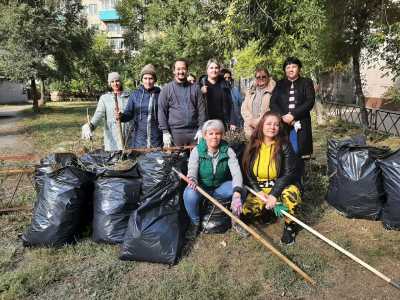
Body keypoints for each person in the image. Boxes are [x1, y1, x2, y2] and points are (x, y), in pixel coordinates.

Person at [238, 111, 302, 245]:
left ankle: (290, 226)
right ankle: (266, 213)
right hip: (260, 188)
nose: (272, 127)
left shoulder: (285, 145)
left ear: (279, 128)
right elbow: (248, 173)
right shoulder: (252, 145)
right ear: (261, 125)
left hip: (280, 186)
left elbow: (288, 173)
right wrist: (259, 191)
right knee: (247, 212)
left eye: (276, 125)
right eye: (268, 124)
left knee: (292, 196)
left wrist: (274, 194)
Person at [183, 119, 243, 240]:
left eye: (218, 133)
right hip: (202, 187)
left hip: (220, 187)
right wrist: (193, 180)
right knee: (189, 193)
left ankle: (236, 221)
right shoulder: (197, 151)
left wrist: (237, 193)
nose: (214, 137)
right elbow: (192, 169)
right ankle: (194, 223)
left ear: (222, 135)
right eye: (210, 134)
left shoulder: (228, 151)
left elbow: (237, 173)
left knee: (241, 191)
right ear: (205, 136)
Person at [270, 57, 315, 158]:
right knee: (282, 152)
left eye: (294, 67)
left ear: (299, 69)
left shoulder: (306, 82)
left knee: (300, 153)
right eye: (288, 67)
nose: (291, 69)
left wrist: (293, 115)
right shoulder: (280, 84)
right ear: (285, 70)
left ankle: (300, 173)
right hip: (283, 123)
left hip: (301, 122)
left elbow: (310, 101)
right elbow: (273, 103)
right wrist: (283, 116)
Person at [158, 59, 206, 146]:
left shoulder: (195, 89)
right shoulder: (166, 90)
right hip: (175, 134)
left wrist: (201, 128)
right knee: (175, 159)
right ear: (174, 71)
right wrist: (165, 131)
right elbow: (161, 111)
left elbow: (201, 110)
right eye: (178, 69)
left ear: (187, 70)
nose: (181, 71)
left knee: (196, 159)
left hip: (194, 134)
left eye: (183, 69)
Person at [81, 72, 132, 151]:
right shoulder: (105, 98)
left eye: (117, 81)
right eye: (112, 81)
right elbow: (99, 114)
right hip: (112, 137)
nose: (115, 84)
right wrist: (90, 126)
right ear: (109, 84)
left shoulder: (129, 97)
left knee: (129, 159)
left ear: (121, 82)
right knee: (115, 160)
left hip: (128, 135)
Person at [115, 64, 162, 148]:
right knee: (140, 160)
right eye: (145, 78)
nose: (148, 81)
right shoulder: (135, 95)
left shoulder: (161, 94)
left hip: (157, 139)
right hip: (139, 140)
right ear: (141, 79)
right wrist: (121, 116)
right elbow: (128, 114)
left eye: (150, 78)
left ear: (155, 79)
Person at [241, 67, 276, 138]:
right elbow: (244, 109)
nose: (261, 79)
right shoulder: (250, 92)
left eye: (264, 77)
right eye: (258, 77)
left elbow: (271, 109)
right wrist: (251, 120)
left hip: (266, 128)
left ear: (268, 78)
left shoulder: (273, 92)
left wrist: (259, 121)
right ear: (255, 79)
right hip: (250, 129)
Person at [200, 59, 235, 129]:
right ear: (207, 70)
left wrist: (232, 122)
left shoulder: (225, 84)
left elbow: (230, 104)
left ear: (219, 70)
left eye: (216, 68)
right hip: (206, 123)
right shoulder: (200, 85)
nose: (214, 70)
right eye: (211, 68)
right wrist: (201, 93)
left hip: (222, 123)